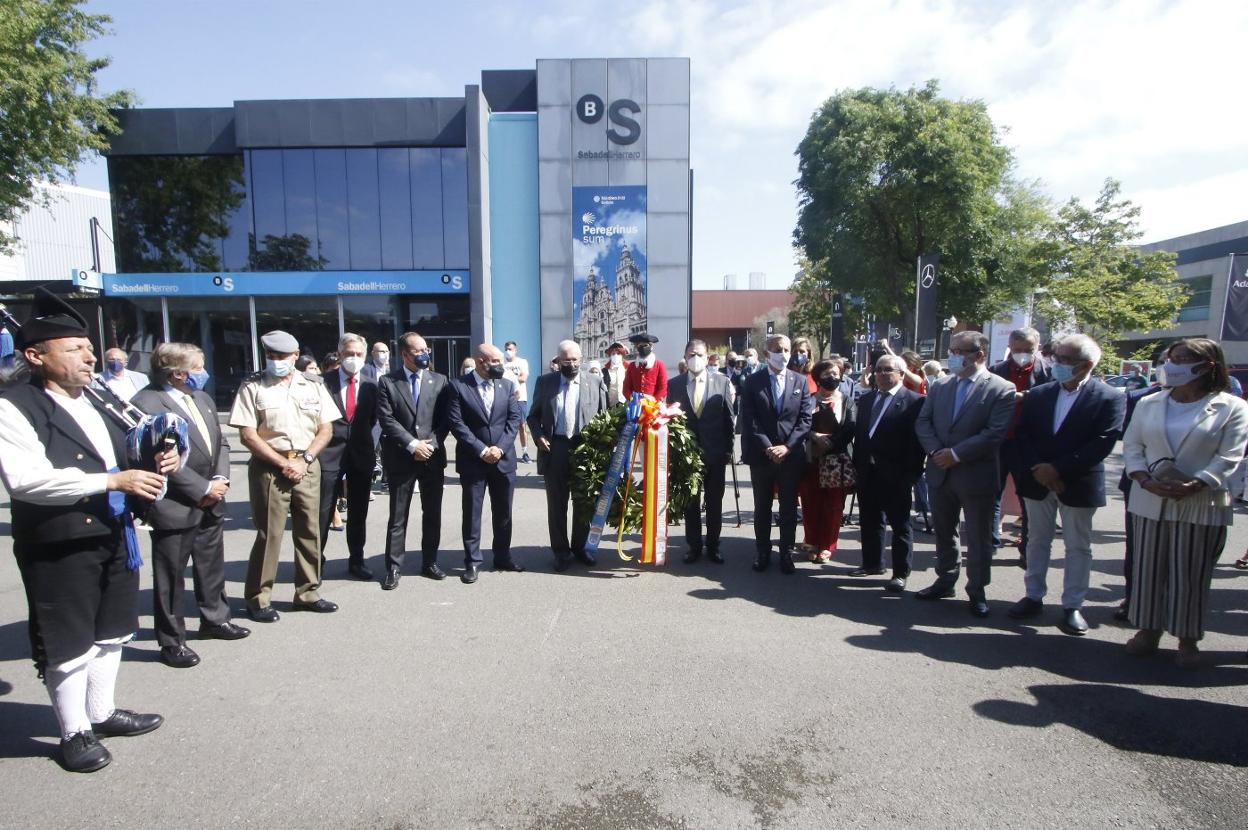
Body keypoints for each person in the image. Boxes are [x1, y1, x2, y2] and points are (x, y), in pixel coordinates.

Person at [0, 288, 176, 773]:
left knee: (113, 629)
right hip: (60, 541)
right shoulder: (14, 405)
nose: (89, 356)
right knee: (68, 638)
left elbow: (129, 452)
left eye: (89, 347)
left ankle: (101, 711)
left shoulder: (101, 400)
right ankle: (73, 730)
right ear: (36, 356)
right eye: (74, 348)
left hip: (114, 531)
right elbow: (25, 480)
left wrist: (158, 459)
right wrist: (111, 480)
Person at [1121, 338, 1248, 667]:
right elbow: (1133, 446)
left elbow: (1230, 456)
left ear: (1207, 366)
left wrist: (1197, 483)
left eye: (1180, 360)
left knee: (1189, 575)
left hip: (1201, 503)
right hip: (1149, 498)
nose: (1170, 366)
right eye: (1170, 359)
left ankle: (1187, 639)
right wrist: (1143, 478)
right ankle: (1147, 630)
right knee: (1149, 569)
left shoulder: (1232, 407)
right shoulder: (1150, 403)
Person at [131, 343, 250, 669]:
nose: (204, 372)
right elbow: (155, 460)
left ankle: (215, 619)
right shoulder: (146, 404)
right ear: (178, 373)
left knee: (210, 566)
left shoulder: (202, 398)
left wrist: (220, 479)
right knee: (170, 576)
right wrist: (202, 488)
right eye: (198, 367)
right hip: (175, 502)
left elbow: (220, 443)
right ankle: (172, 641)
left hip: (211, 497)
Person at [1007, 334, 1125, 635]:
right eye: (1055, 356)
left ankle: (1073, 605)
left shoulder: (1109, 396)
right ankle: (1033, 595)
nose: (1056, 363)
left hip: (1077, 481)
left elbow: (1102, 442)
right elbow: (1023, 435)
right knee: (1036, 540)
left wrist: (1058, 469)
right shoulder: (1040, 393)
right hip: (1037, 480)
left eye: (1064, 359)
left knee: (1077, 546)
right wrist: (1039, 469)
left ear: (1086, 364)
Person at [229, 330, 340, 621]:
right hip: (270, 467)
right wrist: (281, 462)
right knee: (270, 534)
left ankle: (308, 592)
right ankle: (258, 598)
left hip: (307, 464)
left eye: (282, 356)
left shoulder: (313, 385)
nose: (276, 361)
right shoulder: (254, 386)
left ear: (295, 357)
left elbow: (325, 428)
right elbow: (247, 433)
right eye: (271, 356)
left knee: (310, 531)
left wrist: (305, 459)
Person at [914, 331, 1016, 617]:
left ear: (979, 355)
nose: (954, 356)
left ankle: (977, 590)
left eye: (961, 351)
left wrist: (956, 454)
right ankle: (946, 580)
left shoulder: (1001, 388)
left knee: (978, 536)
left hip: (975, 474)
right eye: (953, 350)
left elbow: (994, 433)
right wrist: (936, 452)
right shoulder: (941, 386)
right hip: (940, 472)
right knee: (945, 532)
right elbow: (924, 422)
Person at [375, 331, 451, 590]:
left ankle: (429, 562)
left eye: (425, 349)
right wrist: (412, 444)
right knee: (398, 515)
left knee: (432, 513)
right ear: (405, 355)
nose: (424, 354)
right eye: (418, 351)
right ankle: (394, 567)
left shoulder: (440, 380)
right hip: (402, 457)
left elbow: (446, 419)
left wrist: (432, 442)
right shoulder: (388, 382)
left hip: (432, 456)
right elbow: (387, 419)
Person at [447, 343, 525, 583]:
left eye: (500, 361)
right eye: (495, 362)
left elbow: (514, 420)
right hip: (474, 461)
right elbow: (457, 424)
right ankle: (472, 561)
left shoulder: (507, 385)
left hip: (504, 460)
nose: (500, 366)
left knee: (503, 512)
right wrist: (482, 450)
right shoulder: (458, 386)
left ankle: (502, 555)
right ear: (480, 362)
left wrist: (500, 448)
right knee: (472, 512)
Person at [528, 340, 608, 571]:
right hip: (555, 449)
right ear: (558, 361)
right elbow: (532, 417)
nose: (571, 364)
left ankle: (581, 547)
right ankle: (561, 552)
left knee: (584, 502)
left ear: (581, 360)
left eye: (574, 360)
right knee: (557, 503)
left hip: (585, 449)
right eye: (566, 360)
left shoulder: (595, 382)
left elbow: (605, 417)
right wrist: (538, 436)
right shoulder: (545, 383)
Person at [740, 334, 814, 574]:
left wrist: (788, 446)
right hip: (762, 455)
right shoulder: (753, 381)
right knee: (762, 506)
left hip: (791, 456)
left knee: (789, 507)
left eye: (786, 349)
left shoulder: (800, 381)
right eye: (777, 349)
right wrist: (768, 446)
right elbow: (749, 420)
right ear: (766, 354)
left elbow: (805, 420)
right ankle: (762, 551)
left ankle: (786, 552)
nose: (783, 354)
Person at [851, 354, 926, 590]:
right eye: (879, 370)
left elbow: (917, 444)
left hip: (897, 475)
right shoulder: (866, 399)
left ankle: (900, 573)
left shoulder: (915, 402)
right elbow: (860, 435)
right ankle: (872, 563)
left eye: (888, 370)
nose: (882, 374)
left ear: (902, 374)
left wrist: (911, 476)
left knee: (900, 525)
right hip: (867, 472)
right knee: (870, 521)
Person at [668, 339, 735, 564]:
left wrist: (729, 450)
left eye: (699, 354)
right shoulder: (674, 384)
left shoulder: (722, 382)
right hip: (687, 456)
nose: (695, 358)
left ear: (707, 357)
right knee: (691, 503)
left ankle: (713, 545)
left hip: (715, 453)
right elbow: (669, 421)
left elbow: (729, 419)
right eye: (691, 354)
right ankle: (694, 546)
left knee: (715, 502)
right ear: (685, 358)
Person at [989, 327, 1053, 558]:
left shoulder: (1049, 372)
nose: (1022, 354)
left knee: (1029, 497)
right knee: (991, 494)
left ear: (1037, 348)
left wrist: (1027, 396)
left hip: (1030, 445)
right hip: (999, 441)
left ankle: (1027, 547)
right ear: (1010, 346)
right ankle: (990, 543)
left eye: (1028, 350)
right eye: (1017, 350)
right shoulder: (996, 371)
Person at [319, 333, 378, 581]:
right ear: (340, 354)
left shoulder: (372, 382)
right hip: (329, 454)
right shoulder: (323, 382)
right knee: (323, 510)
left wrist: (369, 445)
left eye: (358, 354)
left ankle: (357, 560)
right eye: (349, 354)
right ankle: (315, 563)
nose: (353, 358)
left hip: (361, 454)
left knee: (359, 511)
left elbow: (376, 419)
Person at [801, 358, 856, 564]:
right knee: (811, 502)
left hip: (837, 459)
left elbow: (851, 426)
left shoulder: (847, 400)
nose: (832, 378)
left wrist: (831, 442)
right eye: (826, 374)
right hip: (812, 459)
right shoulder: (808, 400)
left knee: (834, 505)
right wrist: (815, 436)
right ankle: (813, 542)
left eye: (835, 374)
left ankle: (828, 546)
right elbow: (800, 423)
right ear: (817, 377)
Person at [502, 341, 533, 463]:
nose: (508, 351)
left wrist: (508, 378)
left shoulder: (522, 362)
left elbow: (523, 378)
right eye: (506, 349)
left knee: (521, 425)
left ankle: (525, 452)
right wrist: (514, 378)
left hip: (520, 398)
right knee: (504, 426)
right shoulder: (501, 362)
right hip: (503, 398)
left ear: (515, 350)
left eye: (510, 349)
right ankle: (505, 451)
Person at [624, 332, 668, 400]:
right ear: (637, 348)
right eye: (640, 346)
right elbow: (626, 387)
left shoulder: (659, 365)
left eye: (645, 345)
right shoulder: (632, 366)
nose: (643, 348)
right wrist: (632, 399)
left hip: (653, 405)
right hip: (636, 405)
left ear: (651, 346)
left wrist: (653, 401)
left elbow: (663, 388)